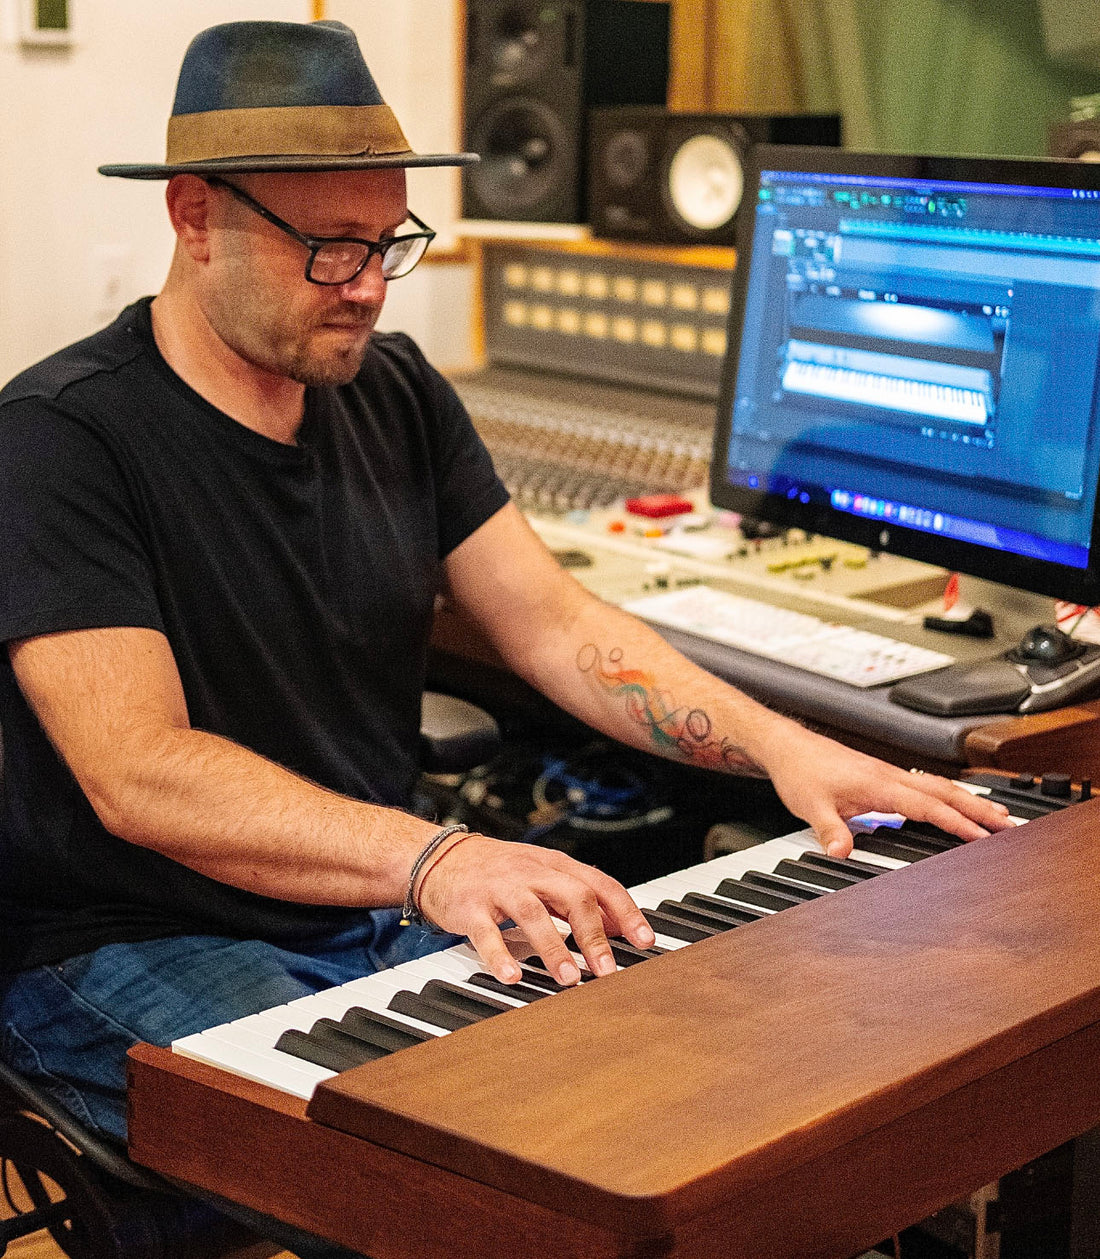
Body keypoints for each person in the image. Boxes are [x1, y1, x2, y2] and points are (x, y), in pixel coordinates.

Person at [0, 17, 1010, 1258]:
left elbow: (554, 624)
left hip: (370, 902)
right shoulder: (58, 442)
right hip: (129, 938)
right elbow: (138, 769)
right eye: (327, 246)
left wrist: (780, 745)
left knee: (677, 1107)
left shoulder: (395, 389)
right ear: (196, 218)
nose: (365, 283)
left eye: (387, 242)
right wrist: (436, 858)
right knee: (473, 1198)